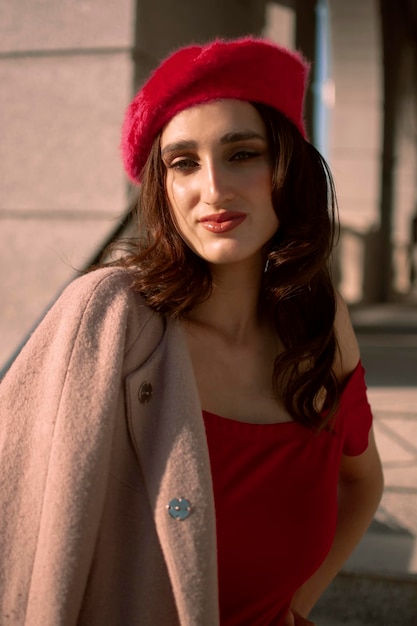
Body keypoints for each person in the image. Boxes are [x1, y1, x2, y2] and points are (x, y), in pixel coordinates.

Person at [0, 37, 384, 626]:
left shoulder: (318, 325)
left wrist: (294, 607)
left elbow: (362, 485)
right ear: (164, 187)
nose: (213, 190)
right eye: (183, 163)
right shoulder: (109, 320)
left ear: (286, 166)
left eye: (242, 154)